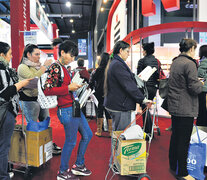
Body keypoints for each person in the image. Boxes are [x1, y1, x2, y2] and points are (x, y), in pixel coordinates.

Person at [43, 39, 92, 180]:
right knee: (70, 141)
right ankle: (62, 172)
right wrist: (68, 88)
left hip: (74, 106)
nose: (72, 59)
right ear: (62, 52)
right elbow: (47, 90)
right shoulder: (55, 67)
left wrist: (76, 87)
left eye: (74, 56)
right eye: (71, 55)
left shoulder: (64, 68)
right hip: (66, 109)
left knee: (88, 135)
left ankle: (78, 165)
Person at [104, 41, 152, 167]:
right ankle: (116, 164)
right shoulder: (117, 65)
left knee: (118, 134)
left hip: (117, 104)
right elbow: (128, 86)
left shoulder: (116, 63)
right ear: (120, 50)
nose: (128, 54)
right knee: (120, 136)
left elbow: (128, 81)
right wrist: (142, 100)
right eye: (127, 51)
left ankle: (115, 162)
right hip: (120, 105)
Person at [168, 38, 203, 180]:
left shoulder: (176, 61)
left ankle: (173, 164)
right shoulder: (190, 64)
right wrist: (200, 84)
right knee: (184, 140)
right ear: (191, 49)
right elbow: (194, 88)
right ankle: (182, 172)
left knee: (175, 137)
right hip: (185, 106)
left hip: (175, 105)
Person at [17, 44, 62, 155]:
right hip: (28, 99)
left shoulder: (37, 66)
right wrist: (44, 68)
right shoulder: (22, 67)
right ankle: (33, 151)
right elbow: (34, 81)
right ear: (28, 54)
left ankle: (47, 144)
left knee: (46, 121)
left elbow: (44, 81)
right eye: (36, 54)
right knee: (32, 125)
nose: (38, 57)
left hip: (40, 98)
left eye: (39, 54)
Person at [0, 41, 32, 179]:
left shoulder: (6, 70)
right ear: (2, 55)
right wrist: (21, 84)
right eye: (10, 54)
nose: (11, 57)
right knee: (4, 146)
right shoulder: (2, 70)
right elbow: (4, 93)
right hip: (5, 111)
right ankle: (3, 175)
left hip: (6, 111)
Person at [137, 42, 160, 136]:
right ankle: (148, 129)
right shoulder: (156, 61)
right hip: (153, 88)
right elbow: (157, 75)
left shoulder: (141, 61)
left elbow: (139, 77)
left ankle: (148, 131)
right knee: (147, 108)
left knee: (145, 108)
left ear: (145, 51)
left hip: (145, 87)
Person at [89, 52, 112, 137]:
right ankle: (110, 132)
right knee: (108, 111)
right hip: (109, 92)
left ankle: (99, 131)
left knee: (100, 110)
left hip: (99, 92)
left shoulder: (97, 70)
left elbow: (91, 81)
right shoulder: (110, 69)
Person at [197, 45, 207, 126]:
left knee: (202, 111)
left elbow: (200, 74)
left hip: (203, 90)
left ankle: (201, 128)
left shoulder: (204, 61)